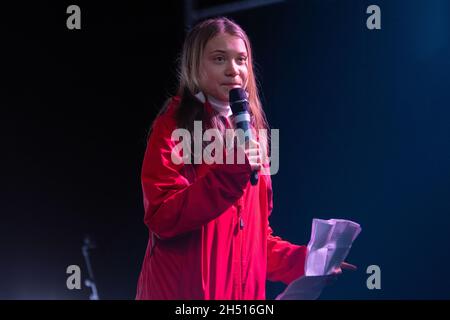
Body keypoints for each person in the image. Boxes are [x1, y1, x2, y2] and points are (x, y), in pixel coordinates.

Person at [136, 17, 355, 300]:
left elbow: (254, 239)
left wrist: (306, 262)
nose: (233, 70)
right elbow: (162, 217)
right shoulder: (174, 124)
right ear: (194, 66)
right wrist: (229, 172)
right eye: (219, 59)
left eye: (241, 60)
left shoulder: (255, 134)